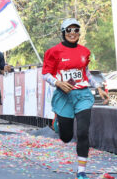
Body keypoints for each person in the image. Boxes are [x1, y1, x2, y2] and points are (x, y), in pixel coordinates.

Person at [42, 18, 109, 179]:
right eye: (69, 30)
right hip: (64, 96)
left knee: (83, 132)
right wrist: (58, 82)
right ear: (63, 32)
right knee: (66, 137)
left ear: (79, 33)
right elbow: (46, 74)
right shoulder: (53, 52)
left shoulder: (84, 51)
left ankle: (81, 172)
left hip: (83, 95)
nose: (73, 33)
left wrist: (98, 87)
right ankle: (58, 118)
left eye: (76, 30)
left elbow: (86, 73)